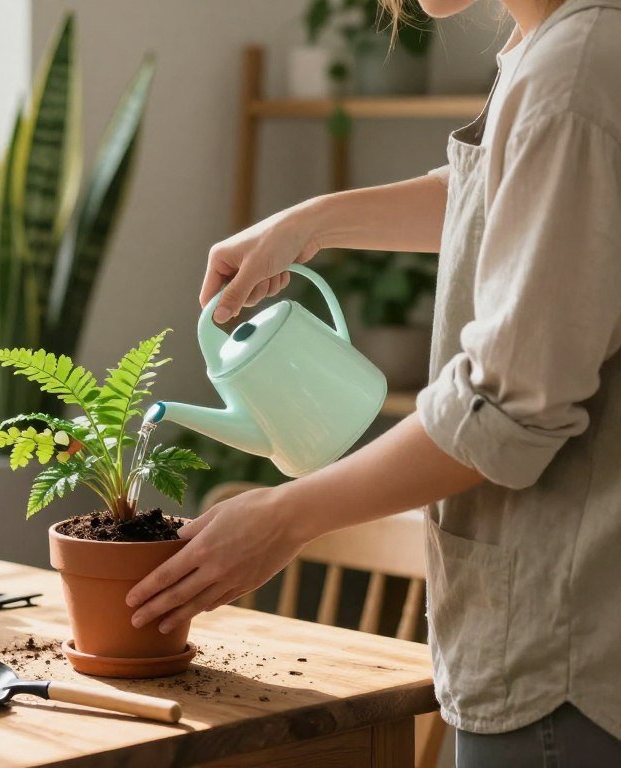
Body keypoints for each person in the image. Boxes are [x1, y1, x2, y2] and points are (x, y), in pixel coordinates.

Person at [125, 0, 621, 765]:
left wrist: (287, 517)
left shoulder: (579, 67)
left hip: (566, 652)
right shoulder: (551, 44)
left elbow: (503, 407)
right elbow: (503, 200)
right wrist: (312, 221)